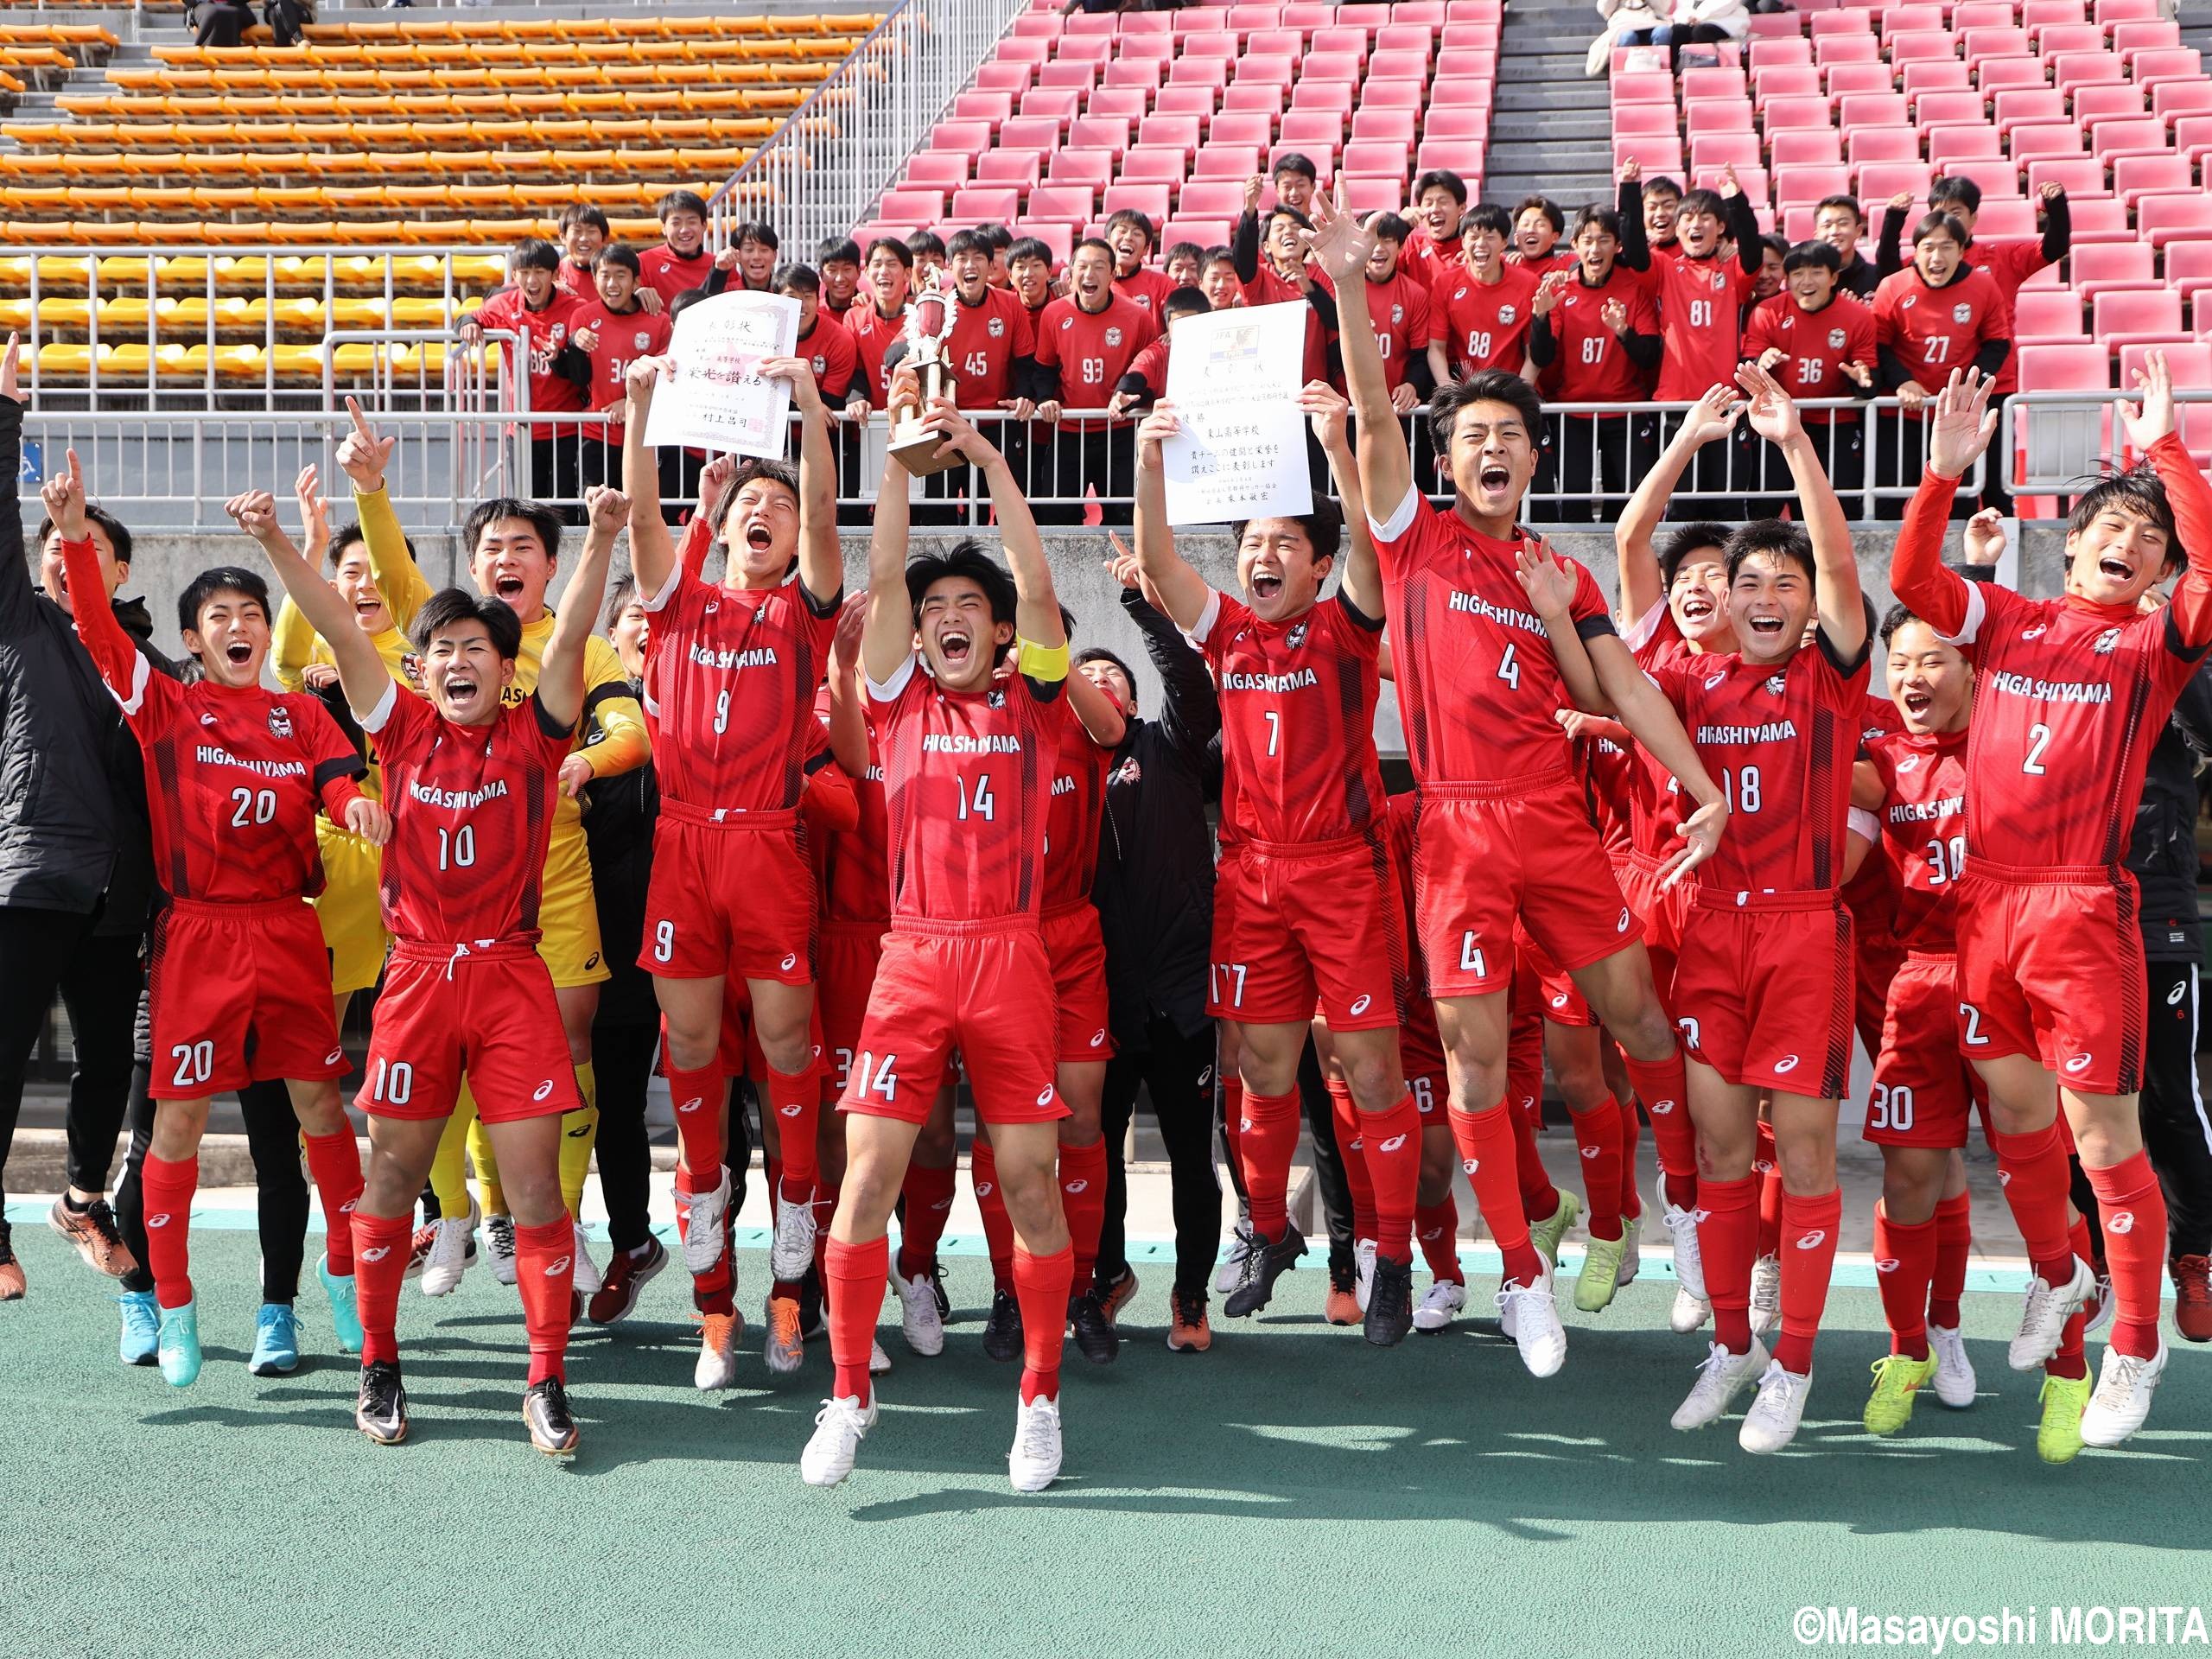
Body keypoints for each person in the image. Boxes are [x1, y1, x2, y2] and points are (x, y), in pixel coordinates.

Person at [1324, 188, 1730, 1377]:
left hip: (1555, 823)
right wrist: (1352, 286)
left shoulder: (1561, 569)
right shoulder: (1412, 540)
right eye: (1471, 439)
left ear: (1536, 454)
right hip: (1454, 834)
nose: (1491, 450)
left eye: (1509, 436)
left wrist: (1697, 783)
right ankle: (1523, 1273)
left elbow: (1630, 694)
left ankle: (1694, 1226)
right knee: (1476, 1066)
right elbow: (1366, 409)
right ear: (1442, 462)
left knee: (1638, 1021)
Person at [240, 474, 623, 1455]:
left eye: (475, 650)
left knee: (536, 1192)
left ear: (506, 670)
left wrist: (601, 540)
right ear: (419, 670)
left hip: (510, 977)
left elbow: (574, 634)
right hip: (415, 979)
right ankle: (379, 1362)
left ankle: (545, 1380)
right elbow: (336, 619)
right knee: (393, 1177)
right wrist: (285, 543)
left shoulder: (538, 738)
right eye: (440, 650)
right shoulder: (401, 728)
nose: (456, 661)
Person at [1891, 359, 2209, 1448]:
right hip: (1985, 911)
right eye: (2113, 527)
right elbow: (1915, 586)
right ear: (2067, 545)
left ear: (2160, 571)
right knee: (2017, 1117)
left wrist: (2168, 449)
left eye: (2151, 541)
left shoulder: (2148, 648)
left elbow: (2209, 569)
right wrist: (1938, 478)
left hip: (2081, 915)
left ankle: (2134, 1343)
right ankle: (2061, 1275)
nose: (2130, 544)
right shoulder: (2011, 622)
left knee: (2104, 1133)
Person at [46, 448, 381, 1389]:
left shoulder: (297, 717)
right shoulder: (168, 705)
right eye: (218, 618)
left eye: (250, 615)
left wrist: (353, 804)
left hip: (285, 931)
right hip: (196, 937)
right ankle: (178, 1308)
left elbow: (339, 780)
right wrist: (77, 542)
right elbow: (100, 636)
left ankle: (345, 1280)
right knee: (178, 1126)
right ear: (193, 640)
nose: (238, 627)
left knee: (320, 1110)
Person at [801, 372, 1077, 1494]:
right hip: (911, 955)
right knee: (865, 1180)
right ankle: (848, 1395)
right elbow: (876, 577)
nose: (946, 620)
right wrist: (898, 470)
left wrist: (989, 456)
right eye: (933, 614)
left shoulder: (1039, 701)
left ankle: (1040, 1402)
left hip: (1010, 954)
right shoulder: (897, 703)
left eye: (967, 609)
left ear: (999, 631)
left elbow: (1043, 583)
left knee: (1031, 1189)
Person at [1133, 378, 1427, 1345]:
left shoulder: (1346, 628)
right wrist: (1149, 456)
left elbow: (1382, 551)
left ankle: (1388, 1258)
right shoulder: (1229, 635)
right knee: (1260, 1069)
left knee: (1369, 1073)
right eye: (1251, 543)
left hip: (1342, 870)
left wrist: (1337, 447)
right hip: (1250, 876)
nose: (1261, 555)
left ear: (1318, 563)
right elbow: (1162, 561)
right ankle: (1266, 1233)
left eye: (1281, 545)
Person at [339, 402, 646, 1302]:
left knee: (564, 1049)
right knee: (441, 1062)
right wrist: (370, 494)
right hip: (441, 898)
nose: (505, 560)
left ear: (551, 563)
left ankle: (553, 1216)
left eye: (523, 547)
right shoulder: (446, 646)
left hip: (552, 883)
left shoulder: (577, 650)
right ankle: (456, 1214)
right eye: (490, 549)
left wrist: (576, 762)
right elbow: (394, 588)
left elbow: (633, 732)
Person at [1637, 365, 1869, 1454]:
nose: (1768, 597)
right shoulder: (1694, 680)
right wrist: (1684, 441)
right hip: (1713, 936)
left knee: (1807, 1159)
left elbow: (1834, 558)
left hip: (1805, 935)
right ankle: (1731, 1343)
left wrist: (1793, 447)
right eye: (1749, 585)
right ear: (1725, 601)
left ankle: (1794, 1361)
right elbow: (1635, 561)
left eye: (1783, 582)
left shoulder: (1833, 677)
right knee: (1720, 1153)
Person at [620, 350, 842, 1389]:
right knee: (694, 1049)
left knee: (790, 1047)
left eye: (778, 505)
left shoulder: (801, 611)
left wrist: (805, 410)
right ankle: (715, 1300)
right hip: (681, 844)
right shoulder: (676, 608)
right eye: (749, 497)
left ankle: (791, 1275)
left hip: (763, 842)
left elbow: (830, 524)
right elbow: (643, 533)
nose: (766, 510)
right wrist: (635, 405)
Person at [1845, 601, 2096, 1452]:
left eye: (1932, 661)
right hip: (1916, 990)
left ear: (1970, 668)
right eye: (1900, 665)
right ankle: (1915, 1347)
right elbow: (1793, 746)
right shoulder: (1880, 757)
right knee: (1909, 1183)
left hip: (2007, 981)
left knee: (2042, 1188)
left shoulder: (2007, 741)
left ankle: (2067, 1374)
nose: (1913, 679)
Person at [0, 336, 164, 1303]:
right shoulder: (21, 626)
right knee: (5, 1050)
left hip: (121, 895)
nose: (75, 560)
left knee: (109, 1061)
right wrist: (6, 417)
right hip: (32, 870)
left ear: (120, 565)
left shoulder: (156, 667)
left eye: (94, 548)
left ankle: (78, 1201)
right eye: (62, 549)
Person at [1085, 543, 1224, 1352]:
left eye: (1114, 680)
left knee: (1187, 1162)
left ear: (1133, 699)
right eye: (1087, 680)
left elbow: (1194, 687)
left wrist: (1144, 604)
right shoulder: (1060, 762)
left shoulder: (1168, 747)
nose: (1099, 689)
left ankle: (1190, 1293)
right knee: (1098, 1158)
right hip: (1100, 1003)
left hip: (1181, 999)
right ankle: (1105, 1278)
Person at [578, 575, 669, 1325]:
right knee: (609, 1107)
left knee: (734, 1112)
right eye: (633, 615)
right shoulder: (579, 721)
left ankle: (756, 1285)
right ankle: (628, 1243)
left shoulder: (710, 708)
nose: (647, 625)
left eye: (657, 613)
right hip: (607, 945)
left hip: (710, 941)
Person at [1526, 205, 1662, 522]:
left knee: (1631, 500)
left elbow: (1650, 354)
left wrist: (1623, 332)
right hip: (1573, 413)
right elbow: (1542, 356)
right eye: (1587, 240)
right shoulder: (1561, 290)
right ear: (1574, 245)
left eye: (1603, 240)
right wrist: (1541, 317)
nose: (1595, 248)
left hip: (1626, 411)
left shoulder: (1632, 288)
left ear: (1617, 246)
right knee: (1574, 500)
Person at [1872, 214, 2011, 518]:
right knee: (1890, 498)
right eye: (1929, 247)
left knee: (1958, 499)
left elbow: (1998, 342)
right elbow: (1878, 345)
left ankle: (1960, 565)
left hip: (1958, 415)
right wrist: (1902, 381)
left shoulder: (1983, 285)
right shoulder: (1892, 286)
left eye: (1947, 247)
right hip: (1902, 412)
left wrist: (1970, 383)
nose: (1937, 257)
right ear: (1916, 252)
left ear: (1961, 251)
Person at [458, 240, 591, 513]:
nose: (532, 280)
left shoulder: (575, 307)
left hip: (565, 426)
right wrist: (469, 324)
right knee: (528, 509)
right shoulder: (503, 304)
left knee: (563, 508)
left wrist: (563, 356)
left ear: (555, 275)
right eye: (525, 272)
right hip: (521, 429)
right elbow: (467, 317)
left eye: (540, 272)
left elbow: (584, 366)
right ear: (515, 275)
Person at [1741, 241, 1877, 506]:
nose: (1806, 281)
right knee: (1766, 506)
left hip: (1836, 423)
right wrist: (1760, 361)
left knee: (1835, 506)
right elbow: (1748, 368)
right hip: (1779, 422)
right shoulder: (1767, 312)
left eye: (1816, 272)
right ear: (1787, 278)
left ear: (1833, 277)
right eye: (1798, 273)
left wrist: (1863, 381)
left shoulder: (1859, 316)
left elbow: (1868, 374)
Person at [1031, 238, 1156, 524]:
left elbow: (1151, 369)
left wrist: (1130, 397)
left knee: (1125, 514)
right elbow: (1043, 368)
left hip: (1121, 433)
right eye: (1083, 266)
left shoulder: (1136, 316)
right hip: (1071, 431)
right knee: (1056, 513)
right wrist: (1045, 398)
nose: (1090, 274)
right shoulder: (1054, 313)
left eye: (1099, 267)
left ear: (1113, 275)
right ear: (1071, 273)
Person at [569, 245, 673, 494]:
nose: (612, 283)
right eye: (605, 275)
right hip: (597, 433)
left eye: (620, 275)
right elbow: (576, 376)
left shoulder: (657, 321)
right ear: (594, 280)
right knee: (595, 511)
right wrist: (573, 344)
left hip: (645, 435)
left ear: (636, 280)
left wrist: (628, 401)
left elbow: (667, 373)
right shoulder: (583, 317)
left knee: (640, 511)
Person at [1430, 204, 1540, 383]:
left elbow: (1533, 354)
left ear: (1504, 242)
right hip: (1467, 392)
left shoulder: (1528, 283)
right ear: (1463, 242)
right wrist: (1447, 389)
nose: (1481, 244)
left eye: (1490, 237)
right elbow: (1436, 347)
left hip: (1510, 389)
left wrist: (1520, 393)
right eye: (1473, 237)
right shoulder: (1446, 283)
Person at [640, 189, 713, 306]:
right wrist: (636, 294)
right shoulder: (645, 262)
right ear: (663, 228)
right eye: (676, 223)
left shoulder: (719, 266)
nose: (684, 230)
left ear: (704, 226)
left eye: (691, 222)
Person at [1105, 210, 1176, 318]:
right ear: (1107, 243)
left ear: (1146, 250)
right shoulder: (1093, 285)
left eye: (1137, 234)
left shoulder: (1163, 285)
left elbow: (1179, 322)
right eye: (1122, 231)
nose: (1128, 237)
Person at [1815, 195, 1880, 302]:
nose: (1834, 232)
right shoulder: (1808, 281)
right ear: (1816, 235)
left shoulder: (1876, 276)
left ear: (1858, 231)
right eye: (1827, 226)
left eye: (1843, 224)